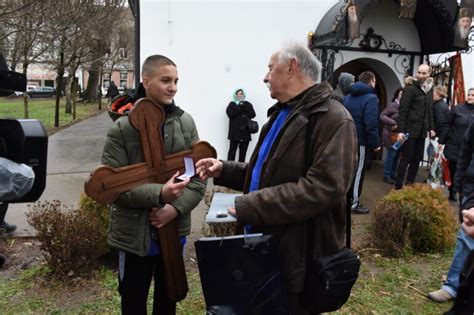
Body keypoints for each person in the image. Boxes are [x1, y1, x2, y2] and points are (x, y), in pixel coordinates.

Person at [196, 43, 357, 313]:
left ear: (292, 67)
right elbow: (264, 173)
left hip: (299, 258)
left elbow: (323, 188)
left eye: (270, 68)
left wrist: (252, 206)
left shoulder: (334, 119)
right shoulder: (281, 114)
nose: (265, 76)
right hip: (264, 249)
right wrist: (223, 168)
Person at [101, 55, 206, 315]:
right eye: (166, 80)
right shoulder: (122, 130)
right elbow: (114, 187)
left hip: (173, 230)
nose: (173, 87)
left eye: (176, 81)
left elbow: (194, 176)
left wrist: (174, 208)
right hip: (134, 234)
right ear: (146, 82)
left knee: (167, 299)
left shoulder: (185, 123)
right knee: (133, 300)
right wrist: (159, 194)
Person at [428, 117, 474, 304]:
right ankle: (453, 285)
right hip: (472, 186)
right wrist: (460, 181)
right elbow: (466, 149)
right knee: (466, 236)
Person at [343, 71, 381, 214]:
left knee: (347, 171)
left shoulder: (348, 96)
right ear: (371, 81)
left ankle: (345, 199)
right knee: (358, 172)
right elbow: (370, 124)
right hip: (361, 141)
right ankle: (353, 203)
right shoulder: (371, 98)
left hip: (347, 138)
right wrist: (376, 143)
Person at [395, 64, 435, 190]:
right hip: (409, 130)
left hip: (422, 131)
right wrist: (401, 131)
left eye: (424, 73)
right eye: (419, 72)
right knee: (406, 158)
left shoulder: (429, 90)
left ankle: (410, 184)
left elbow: (429, 110)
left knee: (416, 159)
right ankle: (398, 187)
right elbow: (402, 111)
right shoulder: (410, 89)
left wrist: (431, 128)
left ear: (429, 74)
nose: (421, 75)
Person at [439, 88, 474, 201]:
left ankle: (460, 191)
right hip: (454, 143)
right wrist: (441, 141)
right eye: (469, 95)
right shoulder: (458, 109)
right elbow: (447, 125)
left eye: (473, 95)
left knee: (464, 168)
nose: (470, 97)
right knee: (453, 167)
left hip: (468, 147)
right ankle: (452, 189)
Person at [380, 88, 403, 184]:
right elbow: (382, 115)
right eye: (401, 94)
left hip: (400, 135)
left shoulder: (405, 107)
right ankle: (386, 175)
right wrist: (393, 122)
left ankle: (393, 174)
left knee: (397, 155)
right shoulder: (393, 105)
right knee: (391, 155)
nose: (403, 96)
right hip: (390, 134)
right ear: (397, 95)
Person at [226, 89, 256, 162]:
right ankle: (229, 170)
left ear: (243, 95)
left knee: (243, 154)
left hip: (245, 133)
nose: (240, 95)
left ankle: (240, 171)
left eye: (241, 94)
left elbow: (252, 114)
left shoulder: (247, 104)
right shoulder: (232, 104)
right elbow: (230, 114)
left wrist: (244, 106)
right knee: (231, 153)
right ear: (235, 95)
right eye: (238, 94)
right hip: (234, 134)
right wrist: (239, 106)